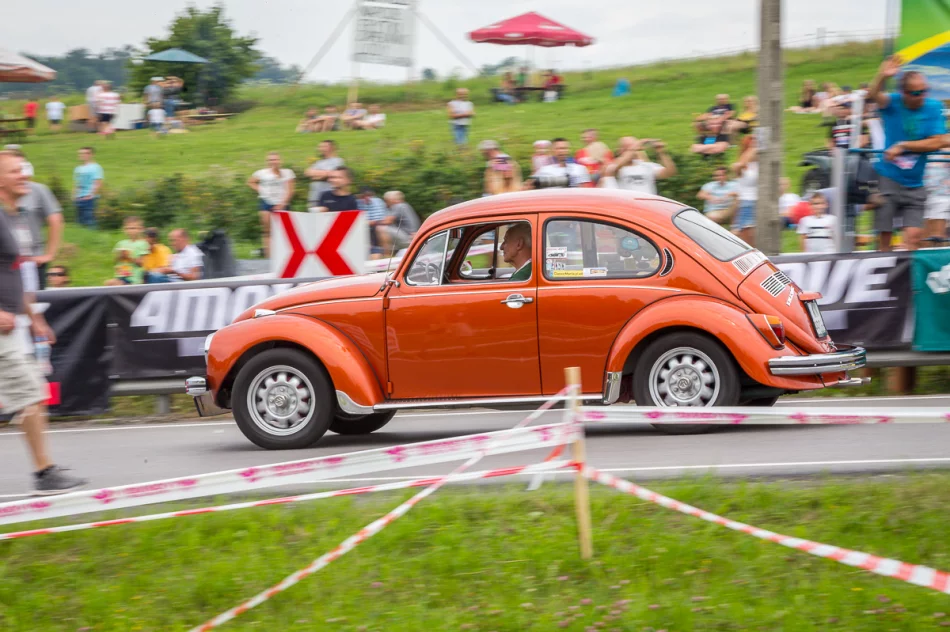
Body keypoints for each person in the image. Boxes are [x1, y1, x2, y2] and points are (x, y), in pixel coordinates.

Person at [0, 150, 87, 495]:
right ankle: (45, 472)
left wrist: (34, 318)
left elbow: (11, 275)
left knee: (32, 394)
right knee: (31, 396)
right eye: (15, 171)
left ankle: (45, 468)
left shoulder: (14, 218)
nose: (24, 175)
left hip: (16, 324)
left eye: (24, 169)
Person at [867, 56, 948, 251]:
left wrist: (903, 146)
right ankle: (884, 277)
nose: (921, 95)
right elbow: (873, 95)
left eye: (924, 91)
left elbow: (939, 141)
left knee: (914, 236)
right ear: (903, 93)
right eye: (915, 93)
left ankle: (907, 279)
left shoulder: (933, 107)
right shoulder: (893, 103)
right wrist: (882, 76)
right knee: (885, 235)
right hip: (888, 176)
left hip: (915, 182)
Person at [16, 161, 65, 290]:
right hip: (5, 260)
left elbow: (56, 220)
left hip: (32, 259)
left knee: (33, 302)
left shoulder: (38, 190)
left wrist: (49, 254)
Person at [248, 152, 295, 258]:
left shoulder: (287, 173)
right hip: (266, 202)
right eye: (270, 160)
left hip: (282, 202)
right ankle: (269, 257)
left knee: (285, 231)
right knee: (267, 231)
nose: (273, 162)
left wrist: (283, 204)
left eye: (275, 159)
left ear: (280, 161)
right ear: (267, 162)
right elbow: (250, 182)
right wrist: (261, 190)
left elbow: (291, 190)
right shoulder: (261, 173)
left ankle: (285, 255)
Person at [601, 137, 676, 194]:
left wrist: (661, 152)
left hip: (649, 207)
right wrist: (635, 147)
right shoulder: (615, 166)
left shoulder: (647, 165)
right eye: (627, 147)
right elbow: (611, 170)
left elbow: (669, 172)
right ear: (620, 150)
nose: (634, 150)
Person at [104, 216, 148, 286]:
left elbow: (141, 263)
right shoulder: (121, 243)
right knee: (108, 283)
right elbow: (115, 261)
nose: (130, 231)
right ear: (124, 230)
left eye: (133, 228)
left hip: (133, 278)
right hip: (121, 275)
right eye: (128, 228)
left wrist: (129, 257)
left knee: (113, 284)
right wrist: (120, 256)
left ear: (141, 229)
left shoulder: (143, 243)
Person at [731, 136, 758, 246]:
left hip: (759, 203)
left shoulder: (760, 164)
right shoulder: (741, 165)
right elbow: (738, 167)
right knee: (748, 241)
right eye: (752, 145)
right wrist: (753, 148)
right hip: (747, 202)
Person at [305, 140, 345, 209]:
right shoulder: (319, 162)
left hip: (328, 198)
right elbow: (307, 172)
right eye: (320, 147)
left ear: (332, 148)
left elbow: (331, 174)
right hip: (314, 197)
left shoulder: (337, 161)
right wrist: (323, 175)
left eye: (324, 146)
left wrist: (315, 175)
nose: (320, 149)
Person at [73, 146, 104, 227]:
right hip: (79, 198)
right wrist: (74, 196)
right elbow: (77, 184)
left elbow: (98, 183)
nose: (82, 155)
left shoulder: (96, 167)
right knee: (80, 223)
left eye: (85, 153)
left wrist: (90, 195)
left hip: (90, 200)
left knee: (90, 222)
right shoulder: (78, 169)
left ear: (91, 155)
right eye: (80, 153)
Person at [924, 150, 950, 243]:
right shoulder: (927, 149)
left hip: (943, 195)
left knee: (938, 237)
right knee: (924, 238)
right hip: (923, 194)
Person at [357, 186, 389, 257]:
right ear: (360, 196)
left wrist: (375, 222)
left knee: (381, 229)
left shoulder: (378, 201)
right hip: (364, 227)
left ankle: (387, 254)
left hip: (378, 225)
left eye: (369, 195)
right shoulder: (357, 203)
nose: (367, 198)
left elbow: (385, 217)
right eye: (364, 196)